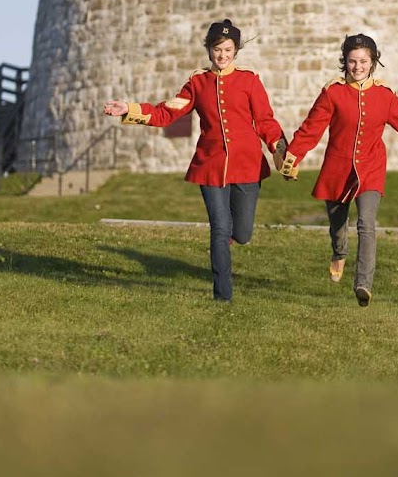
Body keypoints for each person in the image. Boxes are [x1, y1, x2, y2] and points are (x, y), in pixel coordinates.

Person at [103, 19, 287, 302]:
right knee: (219, 229)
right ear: (209, 50)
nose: (222, 55)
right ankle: (222, 296)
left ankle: (234, 241)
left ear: (235, 51)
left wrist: (279, 148)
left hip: (248, 165)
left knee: (242, 232)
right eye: (217, 49)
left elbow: (264, 121)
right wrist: (129, 108)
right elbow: (167, 113)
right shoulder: (197, 82)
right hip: (210, 166)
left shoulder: (250, 80)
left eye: (227, 49)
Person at [280, 33, 398, 307]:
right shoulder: (332, 92)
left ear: (373, 62)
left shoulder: (384, 96)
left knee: (366, 223)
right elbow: (312, 128)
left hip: (371, 168)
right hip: (338, 167)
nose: (358, 67)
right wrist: (293, 156)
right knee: (337, 224)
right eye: (352, 61)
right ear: (344, 62)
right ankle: (339, 252)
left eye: (364, 61)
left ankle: (363, 284)